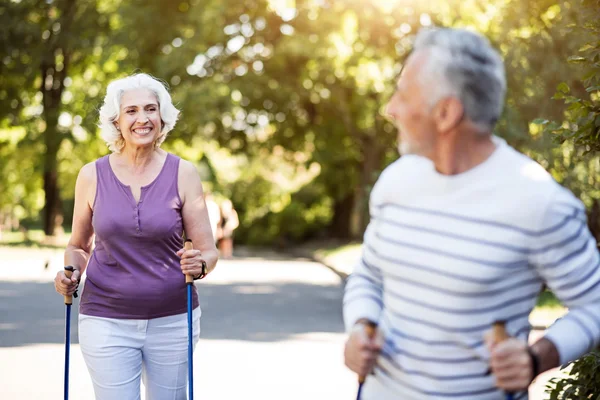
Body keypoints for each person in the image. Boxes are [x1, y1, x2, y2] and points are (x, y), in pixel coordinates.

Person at [343, 28, 600, 400]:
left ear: (446, 113)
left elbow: (594, 304)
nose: (391, 108)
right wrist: (360, 326)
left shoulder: (538, 203)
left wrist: (536, 358)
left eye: (403, 93)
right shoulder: (395, 181)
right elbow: (368, 274)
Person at [54, 73, 218, 400]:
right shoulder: (91, 175)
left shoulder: (183, 173)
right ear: (116, 120)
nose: (142, 118)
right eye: (131, 111)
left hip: (173, 319)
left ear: (162, 117)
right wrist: (71, 273)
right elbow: (78, 245)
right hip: (105, 319)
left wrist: (198, 265)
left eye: (150, 109)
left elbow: (208, 252)